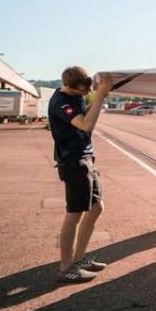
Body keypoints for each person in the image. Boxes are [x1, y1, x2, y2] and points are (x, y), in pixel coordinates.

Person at [48, 66, 113, 283]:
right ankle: (66, 268)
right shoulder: (61, 102)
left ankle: (80, 258)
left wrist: (96, 95)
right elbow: (85, 125)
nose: (82, 96)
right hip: (73, 162)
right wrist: (101, 96)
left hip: (86, 159)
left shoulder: (76, 96)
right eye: (80, 92)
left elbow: (85, 113)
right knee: (74, 214)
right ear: (68, 86)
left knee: (96, 207)